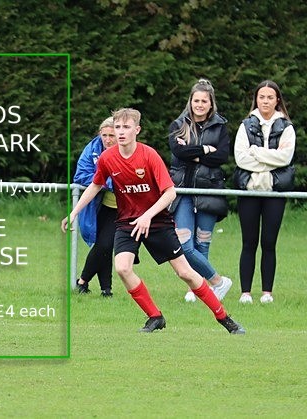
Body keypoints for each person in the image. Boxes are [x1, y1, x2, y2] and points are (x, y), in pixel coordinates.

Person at [62, 108, 245, 334]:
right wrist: (74, 212)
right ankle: (155, 317)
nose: (120, 132)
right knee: (122, 268)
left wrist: (147, 215)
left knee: (185, 273)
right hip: (128, 222)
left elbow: (170, 193)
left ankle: (224, 318)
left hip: (157, 221)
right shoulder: (107, 158)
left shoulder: (148, 155)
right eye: (117, 127)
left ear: (136, 130)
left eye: (126, 127)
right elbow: (96, 184)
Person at [167, 79, 233, 303]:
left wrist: (192, 152)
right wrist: (205, 150)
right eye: (196, 100)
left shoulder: (220, 126)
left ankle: (198, 290)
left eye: (204, 101)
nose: (200, 104)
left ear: (211, 103)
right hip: (183, 189)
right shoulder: (178, 124)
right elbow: (177, 153)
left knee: (202, 242)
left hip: (210, 189)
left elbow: (221, 157)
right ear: (191, 101)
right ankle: (218, 282)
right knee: (185, 244)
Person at [233, 80, 296, 304]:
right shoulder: (245, 125)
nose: (265, 101)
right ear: (256, 99)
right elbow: (241, 158)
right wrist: (270, 158)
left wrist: (256, 152)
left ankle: (267, 293)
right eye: (262, 97)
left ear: (277, 100)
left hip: (274, 192)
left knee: (269, 242)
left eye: (270, 97)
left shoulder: (286, 127)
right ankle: (245, 293)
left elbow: (285, 158)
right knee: (248, 242)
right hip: (249, 192)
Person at [73, 117, 117, 297]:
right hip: (102, 205)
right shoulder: (91, 150)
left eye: (111, 135)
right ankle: (106, 290)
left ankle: (82, 281)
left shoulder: (129, 150)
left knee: (105, 244)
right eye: (104, 135)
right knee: (104, 245)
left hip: (127, 207)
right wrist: (106, 181)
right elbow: (80, 175)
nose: (107, 139)